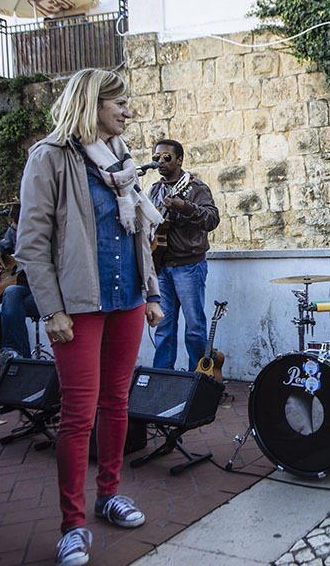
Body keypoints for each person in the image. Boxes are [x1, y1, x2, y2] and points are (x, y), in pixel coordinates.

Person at [15, 68, 165, 566]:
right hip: (77, 307)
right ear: (90, 103)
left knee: (117, 402)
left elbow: (138, 236)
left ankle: (109, 494)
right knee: (78, 415)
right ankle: (72, 524)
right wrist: (52, 308)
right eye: (118, 103)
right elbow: (32, 244)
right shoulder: (51, 157)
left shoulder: (120, 161)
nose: (127, 111)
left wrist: (151, 294)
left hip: (124, 302)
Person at [147, 139, 219, 372]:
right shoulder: (155, 190)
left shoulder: (196, 188)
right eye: (156, 157)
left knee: (194, 326)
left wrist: (184, 207)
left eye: (166, 157)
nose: (160, 162)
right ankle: (162, 377)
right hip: (162, 266)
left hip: (189, 266)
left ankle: (198, 379)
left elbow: (212, 219)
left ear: (179, 159)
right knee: (163, 326)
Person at [0, 202, 40, 364]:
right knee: (11, 293)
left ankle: (19, 359)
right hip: (26, 290)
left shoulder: (47, 234)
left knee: (14, 302)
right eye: (13, 227)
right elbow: (4, 244)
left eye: (18, 227)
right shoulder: (15, 230)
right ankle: (15, 354)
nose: (15, 231)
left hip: (48, 294)